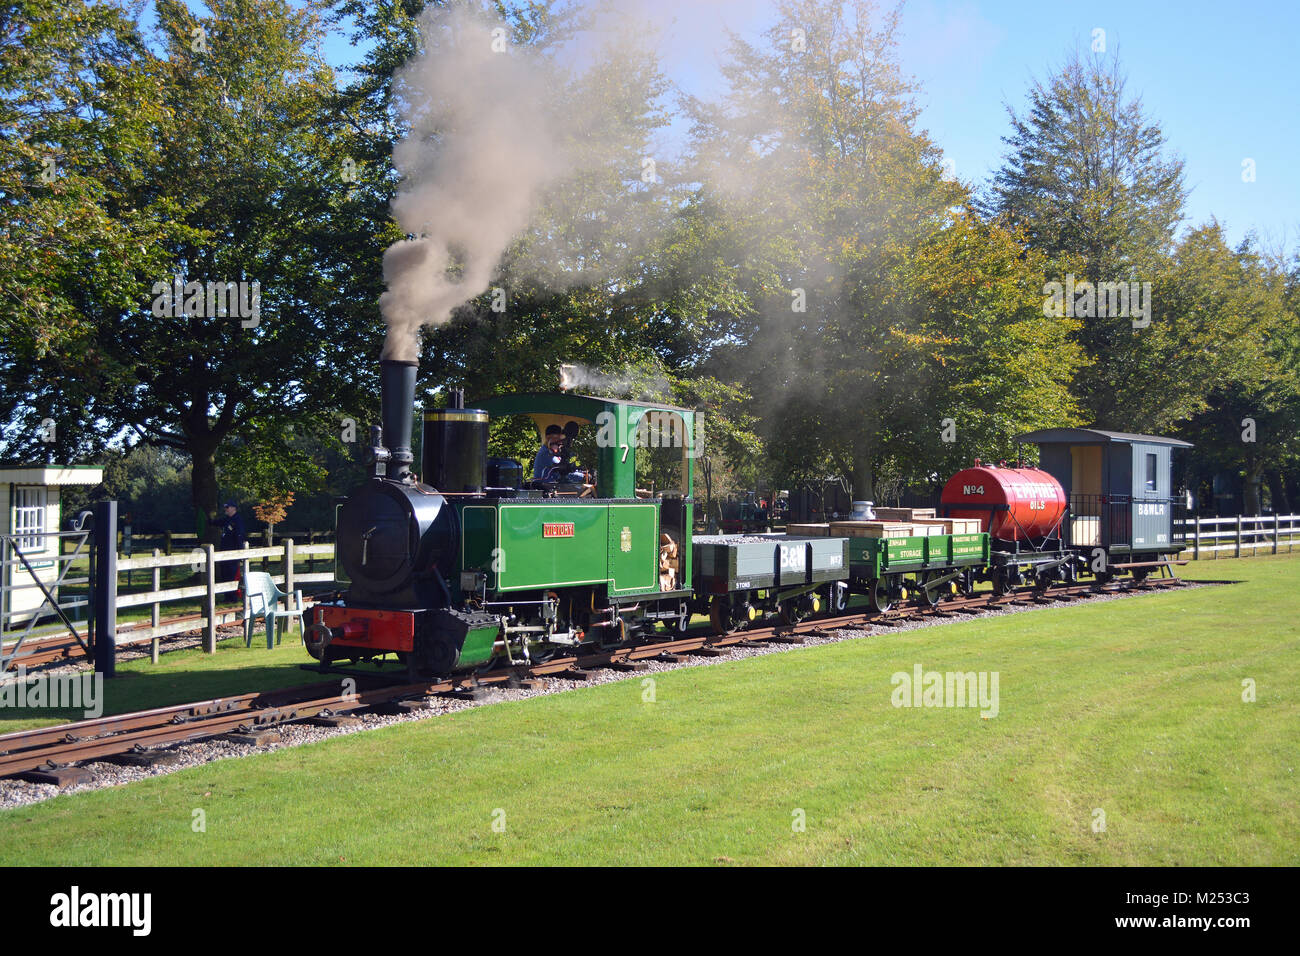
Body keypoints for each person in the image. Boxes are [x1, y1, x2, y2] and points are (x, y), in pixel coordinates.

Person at [215, 501, 247, 587]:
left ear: (233, 508)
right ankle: (227, 597)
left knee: (231, 575)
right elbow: (216, 522)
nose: (226, 509)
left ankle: (233, 597)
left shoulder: (238, 520)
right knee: (225, 574)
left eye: (227, 507)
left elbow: (239, 536)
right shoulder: (226, 519)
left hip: (233, 551)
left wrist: (240, 552)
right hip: (224, 551)